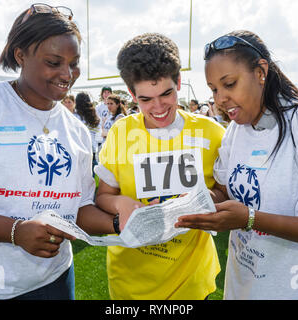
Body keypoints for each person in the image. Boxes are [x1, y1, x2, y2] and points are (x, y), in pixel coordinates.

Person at [0, 3, 117, 300]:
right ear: (20, 55)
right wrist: (15, 231)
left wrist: (119, 223)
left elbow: (77, 208)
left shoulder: (76, 130)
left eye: (74, 62)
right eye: (54, 62)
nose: (67, 74)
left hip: (51, 281)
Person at [176, 30, 298, 299]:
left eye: (229, 84)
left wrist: (249, 218)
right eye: (214, 89)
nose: (219, 99)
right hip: (248, 287)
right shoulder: (236, 130)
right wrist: (198, 202)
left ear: (261, 71)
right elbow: (226, 190)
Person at [94, 33, 226, 300]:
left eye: (167, 93)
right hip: (130, 277)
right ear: (131, 94)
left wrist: (198, 199)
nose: (158, 107)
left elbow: (225, 195)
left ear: (178, 82)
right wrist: (122, 205)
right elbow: (104, 196)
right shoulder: (120, 132)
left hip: (190, 277)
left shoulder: (211, 133)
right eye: (145, 99)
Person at [74, 92, 102, 174]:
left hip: (79, 150)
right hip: (92, 149)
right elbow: (98, 136)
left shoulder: (75, 116)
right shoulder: (95, 117)